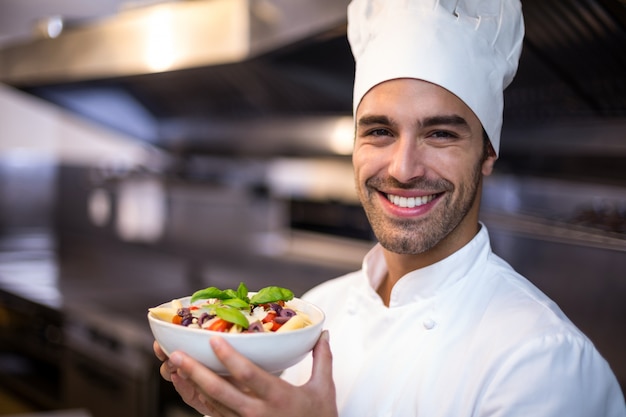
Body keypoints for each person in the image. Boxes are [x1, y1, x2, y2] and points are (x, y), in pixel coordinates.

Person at [154, 0, 626, 415]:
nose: (403, 168)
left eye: (440, 133)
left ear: (486, 155)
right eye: (379, 131)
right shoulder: (317, 315)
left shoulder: (544, 364)